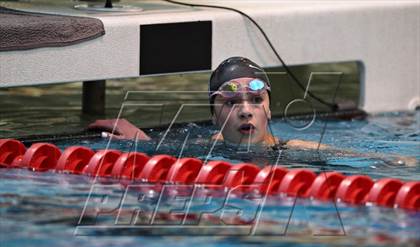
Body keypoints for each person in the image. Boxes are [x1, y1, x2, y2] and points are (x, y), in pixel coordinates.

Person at [89, 57, 416, 166]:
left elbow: (363, 158)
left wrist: (398, 163)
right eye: (232, 103)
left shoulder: (294, 151)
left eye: (256, 102)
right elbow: (158, 153)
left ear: (270, 110)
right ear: (214, 114)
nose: (247, 112)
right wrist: (140, 141)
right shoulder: (198, 147)